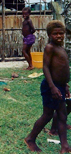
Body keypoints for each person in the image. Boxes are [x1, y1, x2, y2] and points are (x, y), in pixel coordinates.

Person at [25, 20, 71, 153]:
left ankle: (65, 146)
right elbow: (45, 67)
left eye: (61, 33)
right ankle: (30, 139)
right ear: (50, 35)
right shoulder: (50, 48)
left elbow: (61, 69)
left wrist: (65, 86)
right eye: (55, 34)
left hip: (60, 86)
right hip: (51, 87)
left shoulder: (61, 48)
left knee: (62, 116)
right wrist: (52, 87)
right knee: (47, 115)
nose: (59, 36)